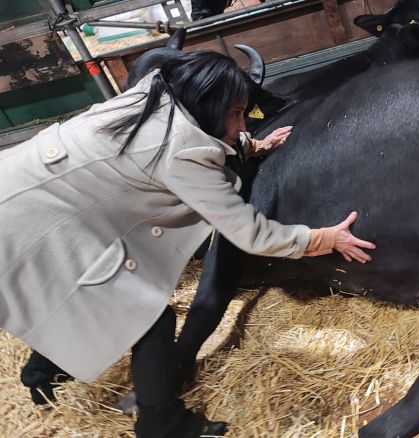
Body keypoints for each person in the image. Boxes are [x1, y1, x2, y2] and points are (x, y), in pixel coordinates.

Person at [0, 50, 375, 437]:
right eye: (235, 113)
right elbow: (253, 233)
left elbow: (175, 147)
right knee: (149, 319)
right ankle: (162, 422)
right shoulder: (182, 151)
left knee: (78, 296)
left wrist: (250, 145)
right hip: (28, 223)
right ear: (207, 105)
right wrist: (322, 238)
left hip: (20, 193)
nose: (241, 123)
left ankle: (41, 372)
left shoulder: (155, 92)